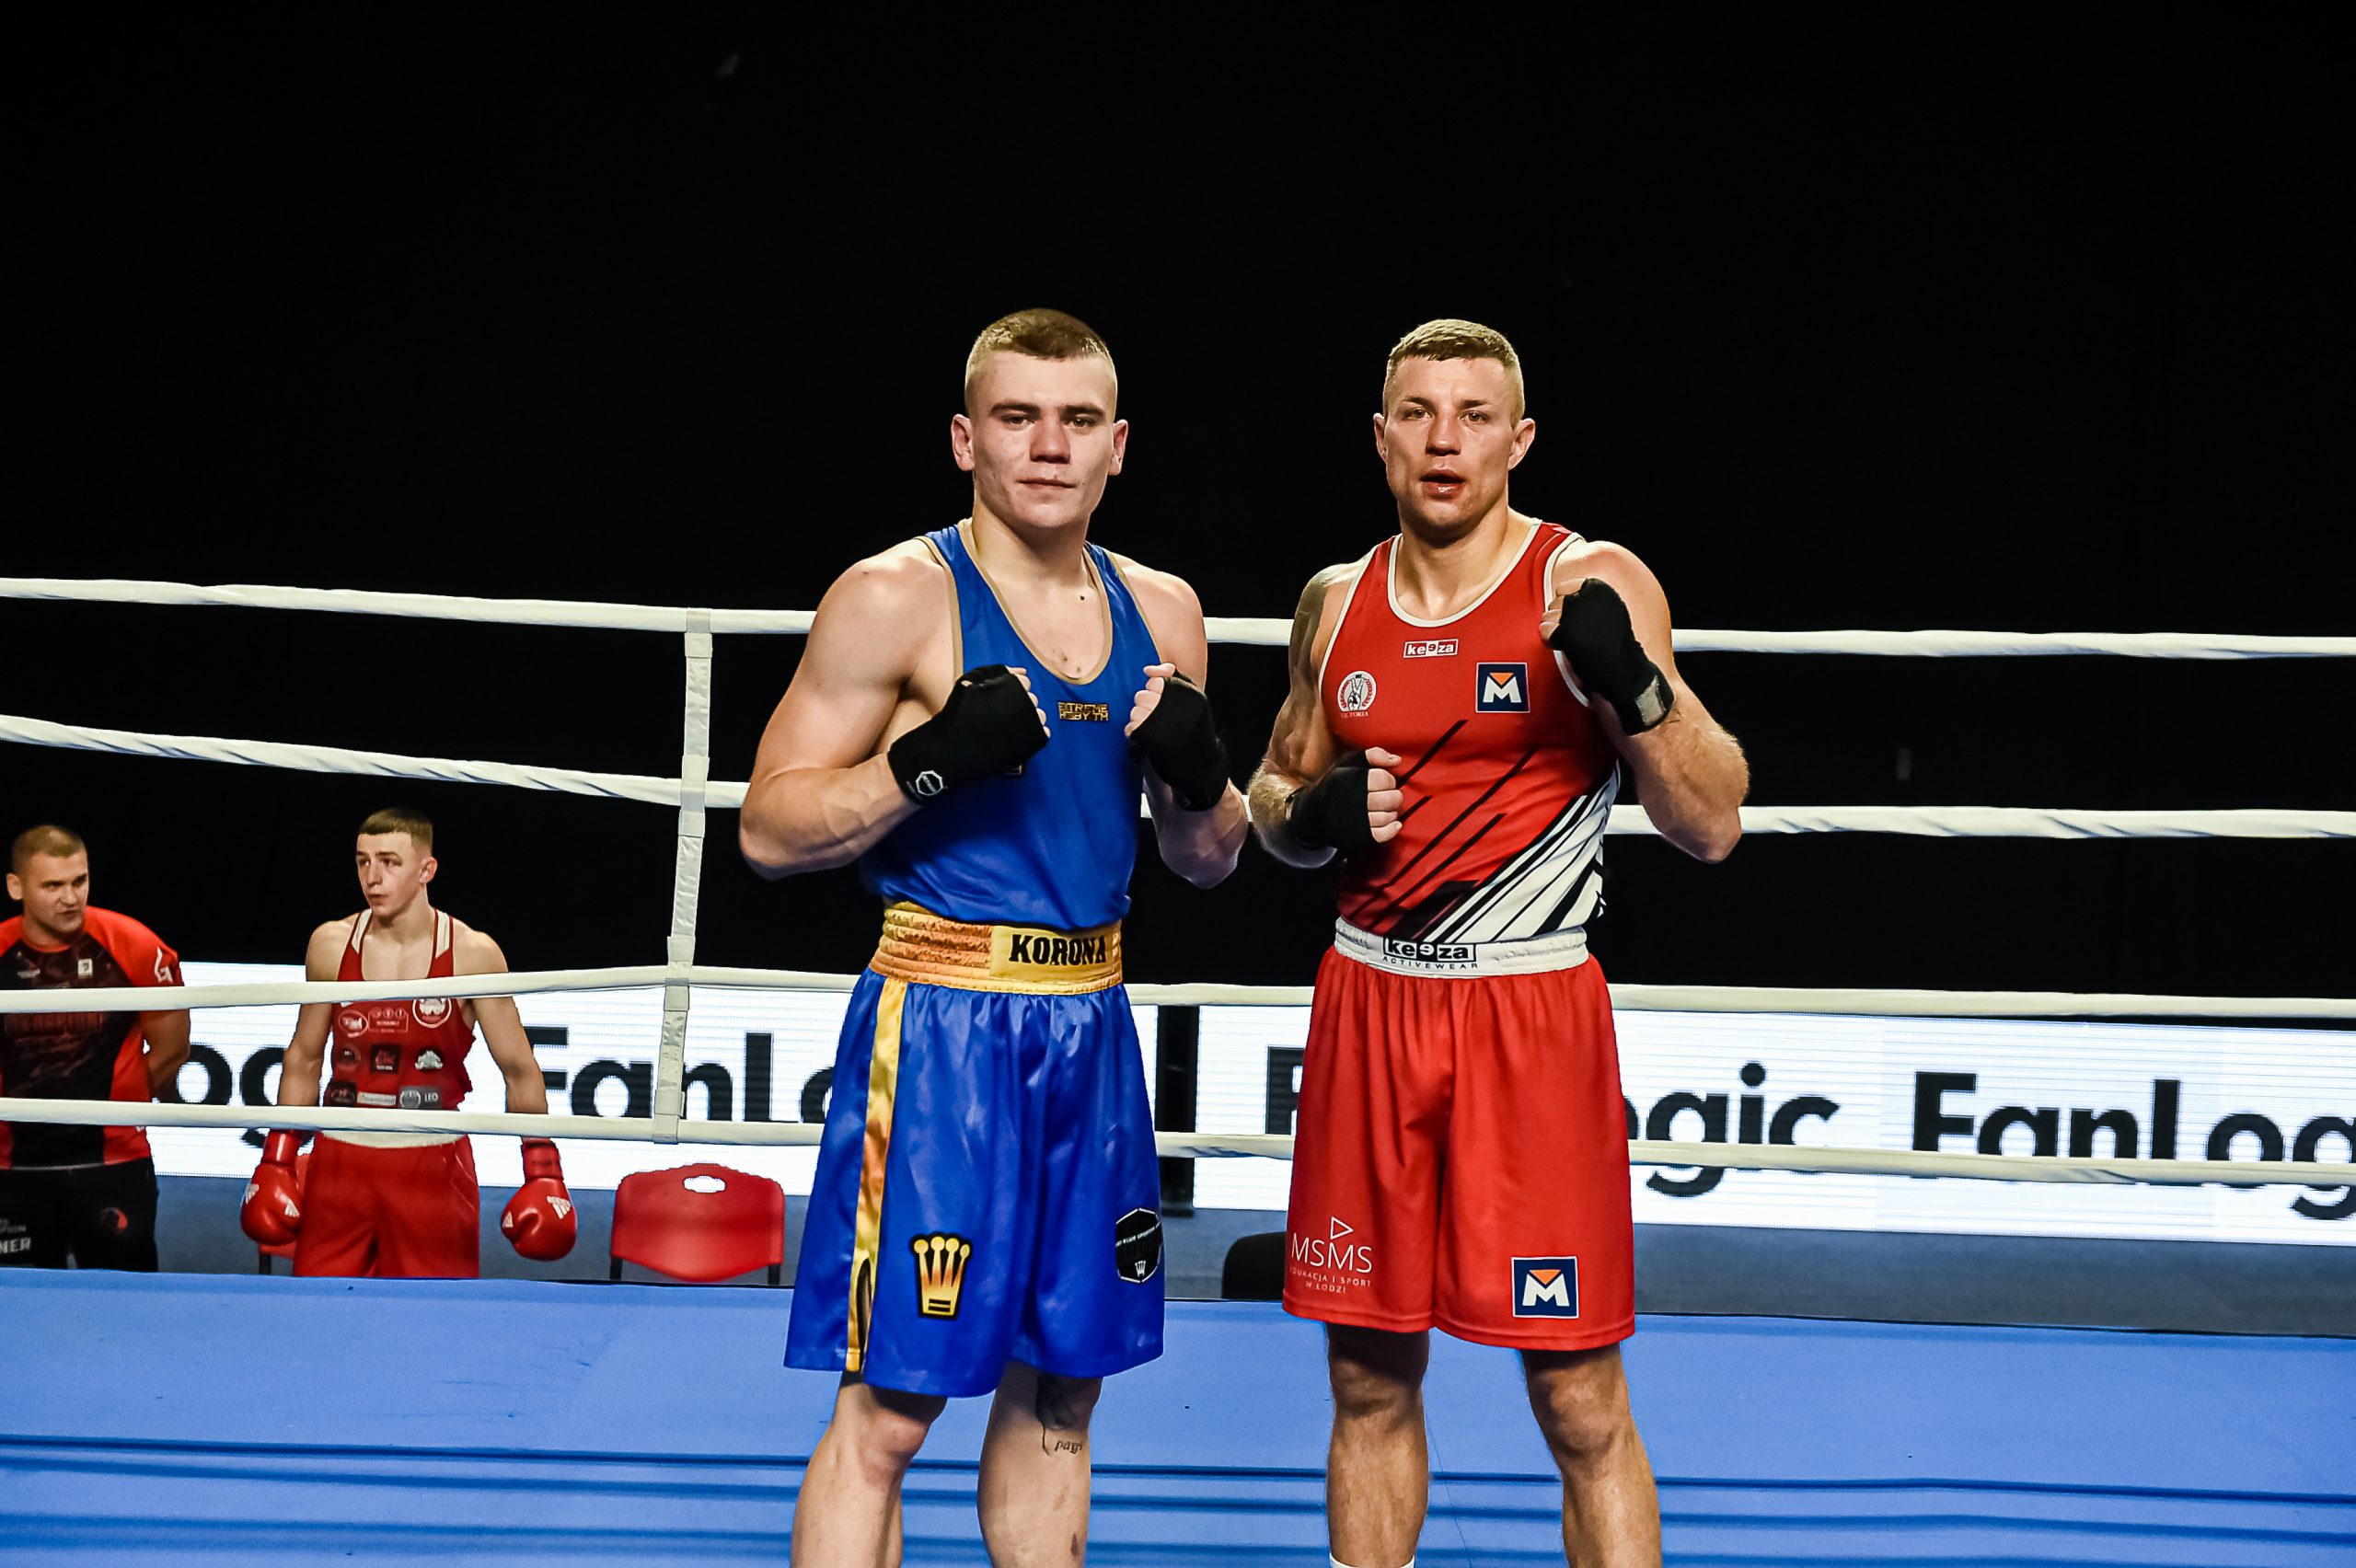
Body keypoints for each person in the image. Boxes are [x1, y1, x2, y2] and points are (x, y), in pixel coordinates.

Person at [740, 307, 1248, 1565]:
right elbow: (767, 828)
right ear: (966, 439)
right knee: (892, 1408)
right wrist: (923, 765)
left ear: (1118, 445)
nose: (1049, 447)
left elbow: (1205, 860)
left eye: (1078, 421)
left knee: (1065, 1391)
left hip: (1094, 1023)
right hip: (941, 1028)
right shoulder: (894, 598)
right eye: (1018, 418)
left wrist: (1200, 780)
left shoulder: (1165, 610)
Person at [1249, 319, 1750, 1568]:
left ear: (1518, 440)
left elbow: (1711, 821)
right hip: (1369, 1002)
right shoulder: (1335, 601)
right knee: (1365, 1376)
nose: (1444, 441)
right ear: (1380, 438)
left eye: (1473, 416)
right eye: (1418, 414)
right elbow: (1271, 794)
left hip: (1528, 1016)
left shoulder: (1585, 580)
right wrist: (1304, 816)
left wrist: (1637, 692)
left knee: (1577, 1393)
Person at [238, 807, 574, 1277]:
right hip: (340, 1161)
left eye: (390, 862)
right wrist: (278, 1158)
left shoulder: (472, 955)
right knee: (320, 1310)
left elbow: (519, 1068)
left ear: (426, 870)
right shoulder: (331, 945)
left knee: (436, 1315)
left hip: (432, 1164)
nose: (373, 878)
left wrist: (543, 1170)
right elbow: (304, 1058)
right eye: (363, 862)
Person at [0, 824, 191, 1270]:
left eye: (79, 881)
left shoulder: (137, 945)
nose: (70, 898)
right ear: (16, 887)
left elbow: (173, 1049)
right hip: (10, 1166)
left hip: (115, 1162)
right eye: (52, 885)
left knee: (125, 1301)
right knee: (17, 1303)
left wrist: (117, 1108)